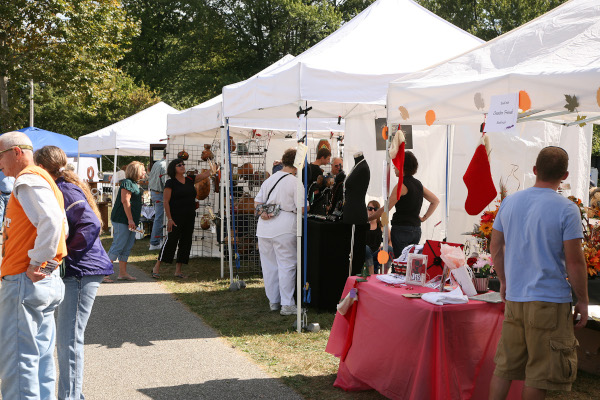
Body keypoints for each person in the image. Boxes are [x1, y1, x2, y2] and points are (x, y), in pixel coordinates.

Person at [489, 146, 588, 400]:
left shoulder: (510, 201)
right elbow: (575, 262)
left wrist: (503, 281)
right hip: (549, 300)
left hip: (516, 297)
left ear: (534, 170)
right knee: (539, 373)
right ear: (565, 176)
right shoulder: (567, 209)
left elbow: (495, 247)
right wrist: (584, 301)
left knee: (505, 367)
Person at [33, 146, 114, 400]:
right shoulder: (63, 186)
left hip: (80, 272)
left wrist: (64, 254)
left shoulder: (64, 189)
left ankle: (70, 397)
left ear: (41, 167)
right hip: (80, 270)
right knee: (67, 339)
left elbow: (92, 223)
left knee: (69, 340)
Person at [0, 131, 68, 400]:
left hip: (24, 281)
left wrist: (38, 264)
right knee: (40, 359)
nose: (0, 164)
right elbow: (62, 226)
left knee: (19, 360)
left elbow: (52, 222)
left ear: (17, 153)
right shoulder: (45, 179)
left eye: (1, 156)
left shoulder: (27, 179)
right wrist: (46, 266)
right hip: (41, 281)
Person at [255, 148, 302, 316]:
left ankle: (274, 301)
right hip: (284, 227)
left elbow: (257, 202)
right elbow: (302, 208)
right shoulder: (295, 181)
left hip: (264, 228)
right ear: (297, 163)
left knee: (269, 266)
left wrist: (263, 212)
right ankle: (287, 304)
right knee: (287, 265)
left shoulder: (270, 179)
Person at [368, 151, 439, 258]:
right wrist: (424, 217)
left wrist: (369, 218)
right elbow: (435, 201)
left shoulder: (401, 186)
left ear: (401, 166)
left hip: (402, 229)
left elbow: (386, 208)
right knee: (410, 264)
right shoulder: (418, 184)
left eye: (395, 165)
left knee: (400, 264)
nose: (393, 168)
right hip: (416, 229)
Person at [152, 159, 214, 278]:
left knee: (185, 242)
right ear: (173, 169)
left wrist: (215, 166)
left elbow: (206, 174)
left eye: (183, 164)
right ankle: (157, 267)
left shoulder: (190, 179)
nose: (182, 166)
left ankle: (178, 271)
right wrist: (169, 219)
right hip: (175, 217)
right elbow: (165, 201)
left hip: (189, 216)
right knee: (171, 241)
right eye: (179, 165)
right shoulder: (170, 183)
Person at [106, 161, 146, 281]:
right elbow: (125, 201)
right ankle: (103, 273)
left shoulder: (134, 184)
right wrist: (130, 219)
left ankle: (122, 273)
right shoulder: (127, 183)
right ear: (137, 171)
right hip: (122, 219)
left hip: (129, 220)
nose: (145, 172)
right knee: (118, 245)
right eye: (143, 170)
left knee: (127, 246)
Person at [365, 200, 393, 275]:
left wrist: (384, 247)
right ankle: (372, 274)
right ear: (367, 209)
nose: (373, 211)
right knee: (366, 248)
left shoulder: (382, 225)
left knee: (388, 249)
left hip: (376, 254)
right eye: (370, 208)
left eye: (376, 209)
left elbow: (390, 241)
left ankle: (384, 275)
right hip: (365, 254)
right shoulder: (363, 224)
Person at [148, 151, 167, 250]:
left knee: (159, 218)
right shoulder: (164, 165)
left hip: (155, 193)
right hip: (160, 194)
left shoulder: (157, 163)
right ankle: (154, 243)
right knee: (159, 218)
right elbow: (165, 183)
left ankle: (157, 240)